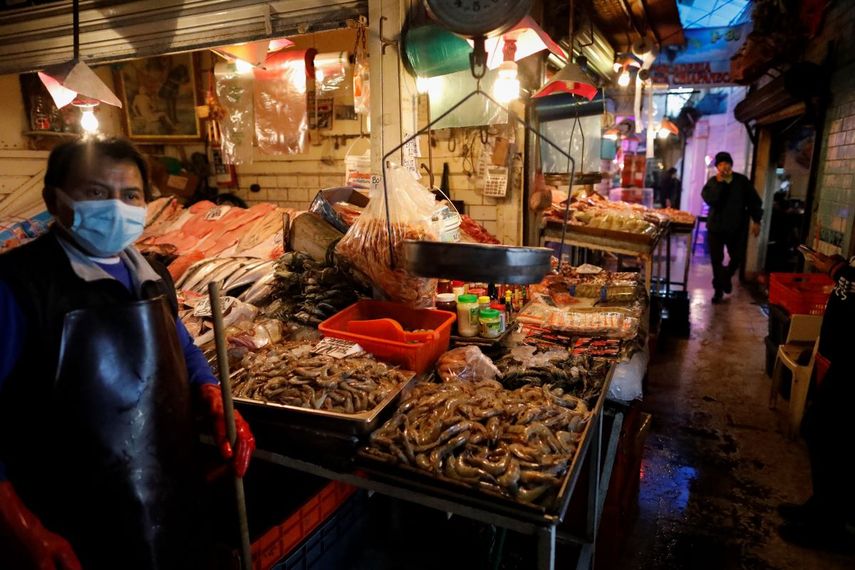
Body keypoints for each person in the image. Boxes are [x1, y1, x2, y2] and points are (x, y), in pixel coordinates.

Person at [0, 138, 256, 570]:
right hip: (68, 521)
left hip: (160, 498)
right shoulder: (17, 285)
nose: (115, 207)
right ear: (53, 199)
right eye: (96, 193)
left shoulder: (152, 272)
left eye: (130, 195)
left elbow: (181, 345)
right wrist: (24, 528)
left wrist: (209, 390)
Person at [777, 249, 855, 551]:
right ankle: (823, 508)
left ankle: (829, 527)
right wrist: (837, 267)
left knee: (825, 432)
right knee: (824, 431)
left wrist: (836, 270)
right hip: (844, 357)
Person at [701, 151, 763, 303]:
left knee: (737, 258)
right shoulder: (713, 182)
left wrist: (757, 220)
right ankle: (718, 290)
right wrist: (721, 183)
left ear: (731, 165)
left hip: (736, 227)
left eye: (726, 163)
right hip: (715, 227)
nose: (724, 167)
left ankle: (726, 277)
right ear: (717, 167)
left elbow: (754, 201)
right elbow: (711, 200)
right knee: (716, 260)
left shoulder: (741, 181)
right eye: (721, 164)